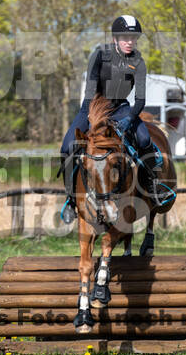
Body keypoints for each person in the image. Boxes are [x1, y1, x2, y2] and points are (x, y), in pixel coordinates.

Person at [59, 15, 162, 224]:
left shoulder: (138, 62)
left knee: (143, 140)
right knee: (67, 147)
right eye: (125, 37)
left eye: (133, 38)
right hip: (93, 106)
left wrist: (129, 119)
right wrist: (92, 116)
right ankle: (71, 199)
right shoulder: (100, 55)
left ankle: (151, 189)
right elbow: (90, 90)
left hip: (121, 109)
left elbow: (140, 100)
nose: (129, 42)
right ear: (115, 39)